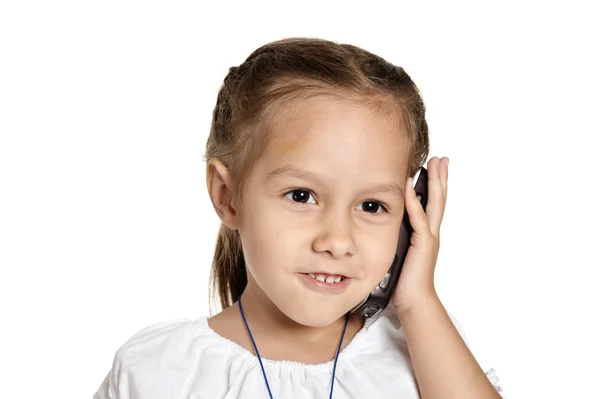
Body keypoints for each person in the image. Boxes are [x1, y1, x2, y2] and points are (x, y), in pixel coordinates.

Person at [94, 37, 504, 399]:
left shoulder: (424, 347)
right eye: (302, 196)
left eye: (372, 206)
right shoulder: (159, 370)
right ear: (228, 196)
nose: (337, 240)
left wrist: (418, 301)